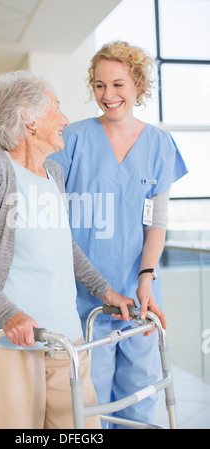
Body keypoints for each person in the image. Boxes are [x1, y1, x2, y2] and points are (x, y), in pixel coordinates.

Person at [0, 70, 135, 429]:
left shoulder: (53, 173)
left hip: (65, 338)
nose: (65, 120)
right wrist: (8, 313)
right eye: (56, 109)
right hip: (10, 343)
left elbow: (66, 246)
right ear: (29, 119)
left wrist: (104, 290)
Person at [48, 41, 188, 428]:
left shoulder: (159, 144)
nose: (108, 96)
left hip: (140, 296)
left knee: (140, 399)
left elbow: (155, 222)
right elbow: (51, 220)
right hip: (83, 297)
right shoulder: (71, 140)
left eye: (118, 85)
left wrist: (147, 276)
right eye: (99, 85)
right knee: (91, 403)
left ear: (138, 86)